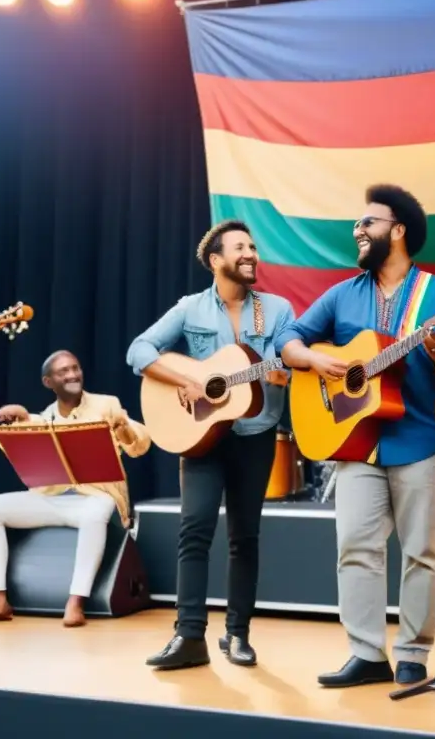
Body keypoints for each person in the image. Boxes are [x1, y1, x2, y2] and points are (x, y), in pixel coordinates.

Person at [276, 183, 435, 688]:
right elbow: (286, 340)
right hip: (356, 444)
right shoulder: (342, 294)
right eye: (357, 224)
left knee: (422, 552)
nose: (357, 231)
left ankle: (412, 654)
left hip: (422, 438)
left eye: (368, 223)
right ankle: (365, 652)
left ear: (397, 231)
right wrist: (318, 359)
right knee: (355, 547)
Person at [127, 220, 294, 670]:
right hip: (202, 436)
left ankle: (237, 635)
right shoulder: (190, 308)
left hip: (255, 433)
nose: (251, 254)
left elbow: (290, 354)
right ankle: (189, 636)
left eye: (254, 247)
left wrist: (286, 369)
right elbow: (139, 351)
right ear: (216, 260)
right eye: (240, 247)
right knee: (194, 530)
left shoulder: (276, 309)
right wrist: (187, 380)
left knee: (245, 537)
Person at [0, 350, 150, 628]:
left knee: (94, 513)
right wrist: (20, 420)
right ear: (48, 382)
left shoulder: (107, 404)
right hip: (53, 500)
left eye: (75, 368)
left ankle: (76, 601)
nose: (71, 375)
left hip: (97, 500)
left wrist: (123, 426)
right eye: (62, 372)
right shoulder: (44, 418)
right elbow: (35, 431)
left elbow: (140, 446)